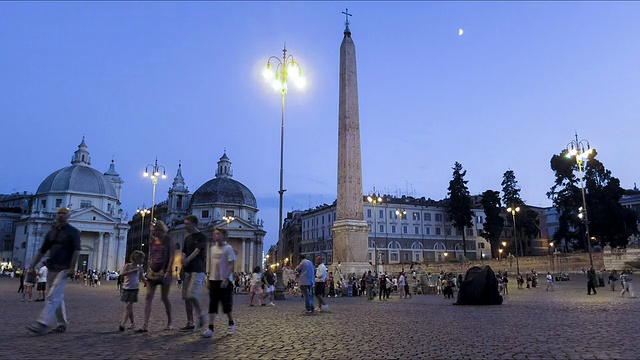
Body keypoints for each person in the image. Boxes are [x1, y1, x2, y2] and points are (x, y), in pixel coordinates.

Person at [26, 207, 81, 334]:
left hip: (64, 269)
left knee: (52, 296)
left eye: (63, 213)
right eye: (59, 213)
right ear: (56, 215)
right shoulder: (51, 232)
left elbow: (77, 250)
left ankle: (43, 323)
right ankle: (62, 323)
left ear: (68, 216)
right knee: (57, 296)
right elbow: (42, 250)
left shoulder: (73, 232)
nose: (61, 215)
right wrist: (32, 265)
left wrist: (73, 267)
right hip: (52, 267)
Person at [136, 220, 174, 333]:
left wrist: (167, 270)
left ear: (159, 230)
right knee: (148, 297)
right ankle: (145, 325)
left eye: (153, 230)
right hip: (153, 272)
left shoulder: (168, 240)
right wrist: (149, 269)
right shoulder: (153, 241)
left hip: (165, 272)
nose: (152, 232)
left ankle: (170, 321)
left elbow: (171, 256)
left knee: (164, 298)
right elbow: (151, 256)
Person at [203, 227, 236, 338]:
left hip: (224, 280)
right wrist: (208, 277)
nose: (214, 236)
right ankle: (210, 328)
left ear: (223, 235)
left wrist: (226, 278)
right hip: (213, 280)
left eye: (217, 234)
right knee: (212, 305)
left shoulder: (228, 248)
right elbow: (210, 264)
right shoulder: (212, 248)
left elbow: (231, 264)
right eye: (214, 234)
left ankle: (231, 323)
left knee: (226, 306)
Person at [178, 216, 207, 332]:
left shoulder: (202, 237)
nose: (185, 227)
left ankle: (201, 314)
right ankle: (190, 322)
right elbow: (184, 251)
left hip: (197, 269)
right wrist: (183, 259)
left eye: (187, 224)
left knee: (192, 294)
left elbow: (197, 250)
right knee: (186, 297)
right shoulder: (187, 238)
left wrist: (187, 259)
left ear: (194, 224)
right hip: (187, 270)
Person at [119, 250, 145, 331]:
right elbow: (122, 274)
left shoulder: (139, 268)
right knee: (129, 307)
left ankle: (123, 324)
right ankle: (132, 323)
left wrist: (146, 283)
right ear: (136, 259)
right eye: (141, 259)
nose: (141, 261)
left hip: (134, 289)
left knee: (128, 306)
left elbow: (142, 278)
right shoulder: (128, 265)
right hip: (126, 288)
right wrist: (132, 271)